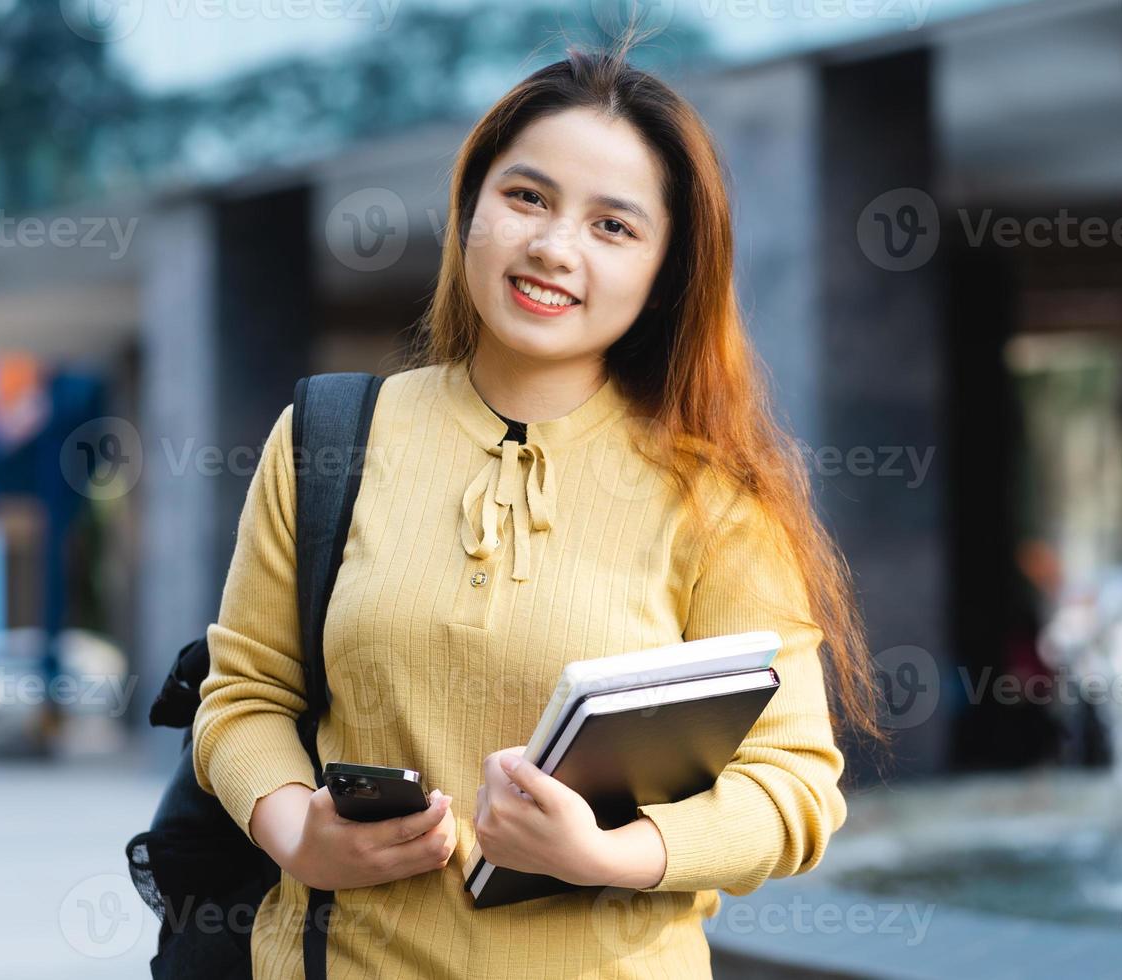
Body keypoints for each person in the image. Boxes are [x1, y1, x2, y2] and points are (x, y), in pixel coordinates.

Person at [193, 30, 885, 980]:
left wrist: (608, 854)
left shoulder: (715, 496)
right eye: (526, 197)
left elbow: (793, 785)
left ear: (664, 271)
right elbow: (243, 694)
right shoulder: (328, 438)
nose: (554, 248)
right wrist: (291, 830)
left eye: (614, 225)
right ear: (469, 208)